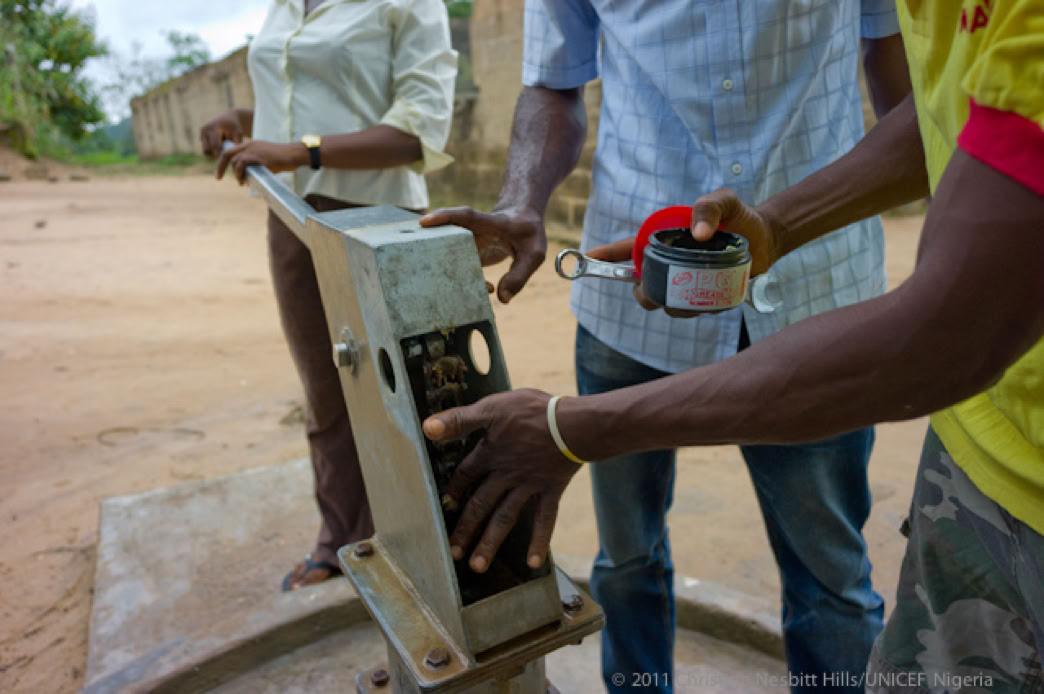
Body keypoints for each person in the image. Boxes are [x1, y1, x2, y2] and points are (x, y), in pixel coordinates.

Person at [422, 1, 1044, 690]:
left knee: (829, 576)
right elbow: (940, 114)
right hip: (644, 296)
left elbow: (948, 332)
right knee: (627, 560)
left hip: (830, 303)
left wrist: (569, 429)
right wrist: (775, 227)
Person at [199, 0, 456, 591]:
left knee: (410, 387)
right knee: (326, 387)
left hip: (379, 220)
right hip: (291, 217)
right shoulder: (285, 7)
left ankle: (441, 541)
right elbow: (305, 97)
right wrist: (243, 117)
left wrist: (297, 150)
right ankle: (343, 541)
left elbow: (417, 130)